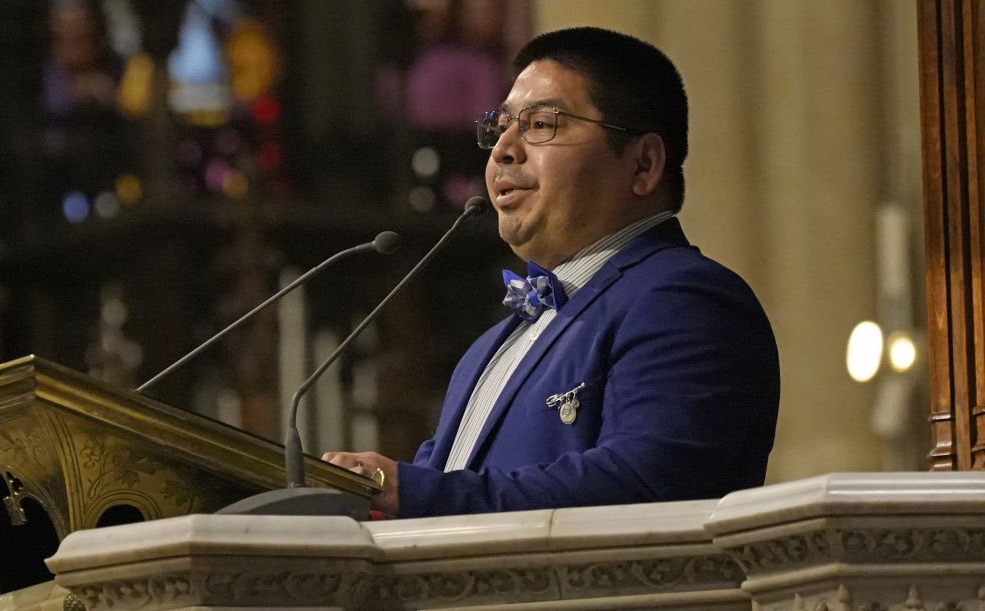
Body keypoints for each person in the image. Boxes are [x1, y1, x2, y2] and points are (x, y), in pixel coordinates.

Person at [323, 26, 779, 518]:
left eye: (541, 124)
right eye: (500, 129)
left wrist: (408, 490)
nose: (503, 151)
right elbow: (433, 500)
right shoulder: (490, 347)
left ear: (643, 164)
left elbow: (645, 488)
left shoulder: (684, 300)